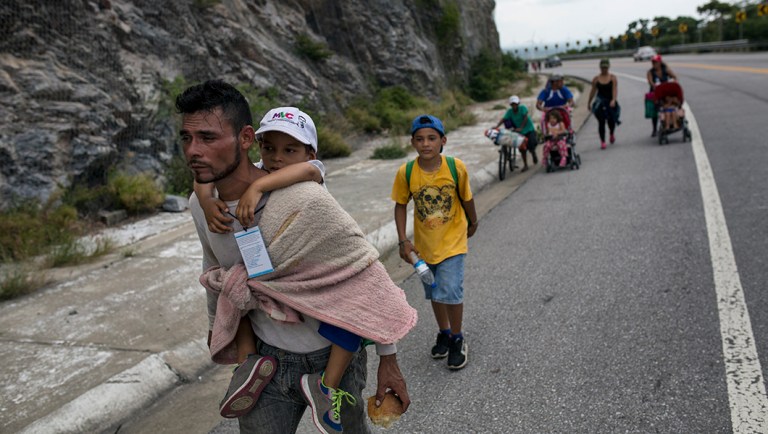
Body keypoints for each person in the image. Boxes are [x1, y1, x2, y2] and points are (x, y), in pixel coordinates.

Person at [177, 80, 413, 433]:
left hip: (329, 352)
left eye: (208, 138)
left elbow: (362, 279)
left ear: (243, 138)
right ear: (257, 143)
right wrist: (221, 335)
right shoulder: (202, 205)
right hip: (264, 361)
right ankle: (247, 369)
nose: (193, 151)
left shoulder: (307, 199)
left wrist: (388, 358)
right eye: (186, 138)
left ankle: (325, 388)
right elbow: (216, 273)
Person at [391, 114, 478, 370]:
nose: (426, 144)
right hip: (424, 247)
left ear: (443, 141)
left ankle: (458, 338)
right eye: (420, 139)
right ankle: (445, 331)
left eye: (431, 138)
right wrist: (403, 241)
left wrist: (474, 223)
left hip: (453, 242)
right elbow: (400, 206)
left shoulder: (455, 167)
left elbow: (467, 197)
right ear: (412, 143)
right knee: (434, 292)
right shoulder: (406, 172)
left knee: (449, 290)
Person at [494, 95, 538, 170]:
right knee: (522, 148)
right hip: (519, 131)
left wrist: (521, 127)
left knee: (531, 144)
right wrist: (497, 126)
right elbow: (504, 119)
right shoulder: (510, 112)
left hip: (528, 129)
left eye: (515, 104)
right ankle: (525, 165)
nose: (514, 106)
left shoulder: (522, 108)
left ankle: (533, 153)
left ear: (518, 103)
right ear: (511, 105)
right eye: (512, 104)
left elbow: (525, 118)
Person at [587, 58, 620, 150]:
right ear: (600, 68)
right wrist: (589, 102)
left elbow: (614, 89)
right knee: (601, 122)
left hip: (610, 102)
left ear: (608, 67)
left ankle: (611, 133)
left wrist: (613, 100)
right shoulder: (596, 79)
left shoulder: (613, 78)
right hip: (600, 103)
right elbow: (593, 91)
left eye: (605, 67)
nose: (604, 69)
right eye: (602, 67)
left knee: (611, 121)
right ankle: (603, 141)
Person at [646, 54, 678, 137]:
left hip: (666, 92)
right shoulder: (650, 72)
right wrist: (655, 85)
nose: (654, 64)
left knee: (671, 105)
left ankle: (673, 123)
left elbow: (674, 77)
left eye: (655, 62)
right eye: (653, 62)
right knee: (655, 111)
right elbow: (650, 82)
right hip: (656, 93)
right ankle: (654, 129)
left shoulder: (665, 70)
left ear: (659, 62)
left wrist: (673, 82)